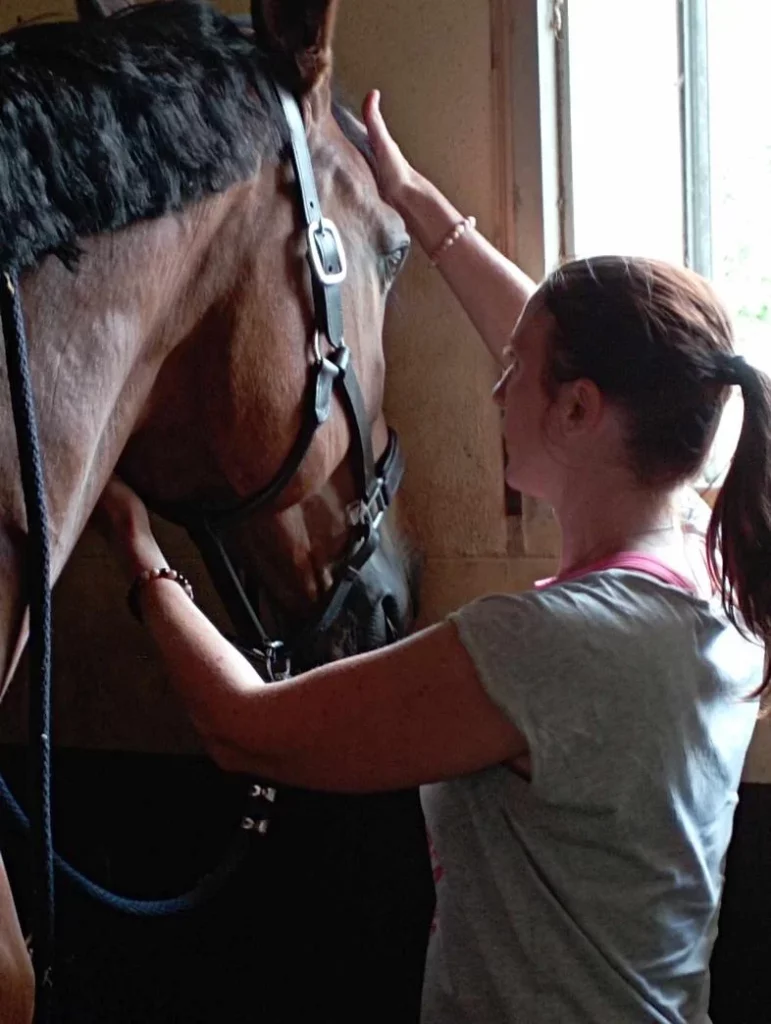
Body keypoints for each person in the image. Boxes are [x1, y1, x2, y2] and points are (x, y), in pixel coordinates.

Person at [96, 91, 771, 1023]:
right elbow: (548, 334)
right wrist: (415, 200)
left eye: (513, 373)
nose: (496, 388)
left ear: (578, 410)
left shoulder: (553, 647)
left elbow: (244, 726)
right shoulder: (705, 558)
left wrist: (137, 552)